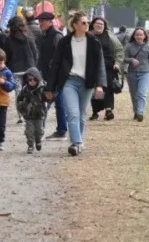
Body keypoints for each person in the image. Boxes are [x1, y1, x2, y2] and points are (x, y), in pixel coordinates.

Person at [45, 11, 106, 157]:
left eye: (88, 22)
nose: (87, 25)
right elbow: (56, 64)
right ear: (75, 25)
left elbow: (100, 64)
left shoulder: (93, 41)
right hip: (69, 81)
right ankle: (76, 143)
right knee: (73, 113)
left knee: (82, 114)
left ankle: (78, 141)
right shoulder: (65, 42)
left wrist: (99, 84)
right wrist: (49, 87)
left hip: (87, 82)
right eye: (84, 23)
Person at [37, 11, 68, 140]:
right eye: (39, 21)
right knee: (53, 103)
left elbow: (62, 57)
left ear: (50, 22)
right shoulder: (44, 35)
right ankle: (59, 130)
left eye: (42, 21)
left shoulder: (56, 36)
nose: (40, 24)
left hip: (55, 76)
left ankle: (60, 131)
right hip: (47, 75)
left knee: (53, 103)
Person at [3, 15, 39, 123]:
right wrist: (34, 64)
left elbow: (6, 56)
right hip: (29, 68)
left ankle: (21, 116)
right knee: (30, 91)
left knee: (18, 93)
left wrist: (8, 66)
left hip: (16, 69)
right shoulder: (29, 37)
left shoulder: (8, 40)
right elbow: (35, 52)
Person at [89, 17, 124, 121]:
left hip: (108, 66)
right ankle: (95, 111)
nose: (99, 25)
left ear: (104, 26)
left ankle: (108, 110)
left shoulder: (110, 36)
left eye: (102, 24)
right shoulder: (88, 35)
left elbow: (119, 50)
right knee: (96, 89)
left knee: (108, 89)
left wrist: (117, 63)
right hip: (93, 67)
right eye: (97, 23)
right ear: (93, 24)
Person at [124, 28, 149, 122]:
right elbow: (124, 58)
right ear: (134, 36)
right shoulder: (129, 46)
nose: (139, 37)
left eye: (141, 35)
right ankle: (136, 111)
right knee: (134, 94)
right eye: (137, 35)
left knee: (141, 93)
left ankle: (140, 112)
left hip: (145, 73)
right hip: (132, 73)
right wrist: (131, 60)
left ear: (144, 36)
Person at [16, 67, 47, 154]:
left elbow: (49, 98)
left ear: (38, 79)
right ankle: (30, 145)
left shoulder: (42, 88)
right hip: (28, 115)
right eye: (30, 80)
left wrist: (48, 97)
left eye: (34, 79)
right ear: (27, 80)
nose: (32, 81)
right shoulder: (25, 90)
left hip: (40, 114)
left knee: (39, 130)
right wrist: (22, 109)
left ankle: (38, 140)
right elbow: (18, 100)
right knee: (29, 131)